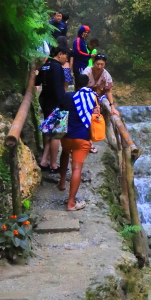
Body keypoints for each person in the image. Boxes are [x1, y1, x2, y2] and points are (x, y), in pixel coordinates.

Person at [56, 74, 98, 211]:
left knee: (65, 153)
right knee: (77, 169)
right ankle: (71, 203)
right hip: (82, 138)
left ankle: (62, 182)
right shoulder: (92, 98)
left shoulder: (68, 96)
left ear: (76, 83)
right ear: (88, 83)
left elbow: (60, 112)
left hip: (67, 136)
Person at [35, 45, 69, 173]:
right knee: (56, 134)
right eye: (66, 56)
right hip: (55, 103)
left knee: (47, 130)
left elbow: (37, 82)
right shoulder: (57, 67)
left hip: (45, 101)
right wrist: (63, 103)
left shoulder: (46, 64)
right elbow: (57, 87)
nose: (67, 59)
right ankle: (53, 164)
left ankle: (44, 160)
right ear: (60, 54)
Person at [84, 53, 119, 152]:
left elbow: (108, 90)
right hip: (85, 97)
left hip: (96, 98)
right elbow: (80, 86)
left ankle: (90, 142)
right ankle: (85, 143)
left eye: (102, 65)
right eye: (98, 64)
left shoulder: (105, 74)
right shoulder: (87, 72)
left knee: (94, 119)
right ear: (94, 63)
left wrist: (112, 106)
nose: (99, 67)